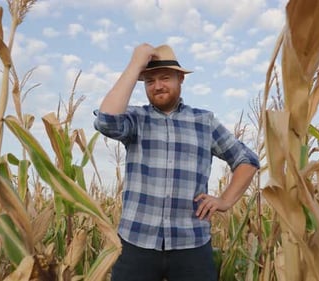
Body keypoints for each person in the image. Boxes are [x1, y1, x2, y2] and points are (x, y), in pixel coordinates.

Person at [94, 43, 259, 281]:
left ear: (180, 79)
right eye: (149, 81)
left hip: (191, 244)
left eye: (164, 78)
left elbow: (247, 160)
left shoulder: (204, 121)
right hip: (136, 241)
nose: (157, 85)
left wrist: (225, 200)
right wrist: (135, 64)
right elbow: (106, 122)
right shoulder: (135, 119)